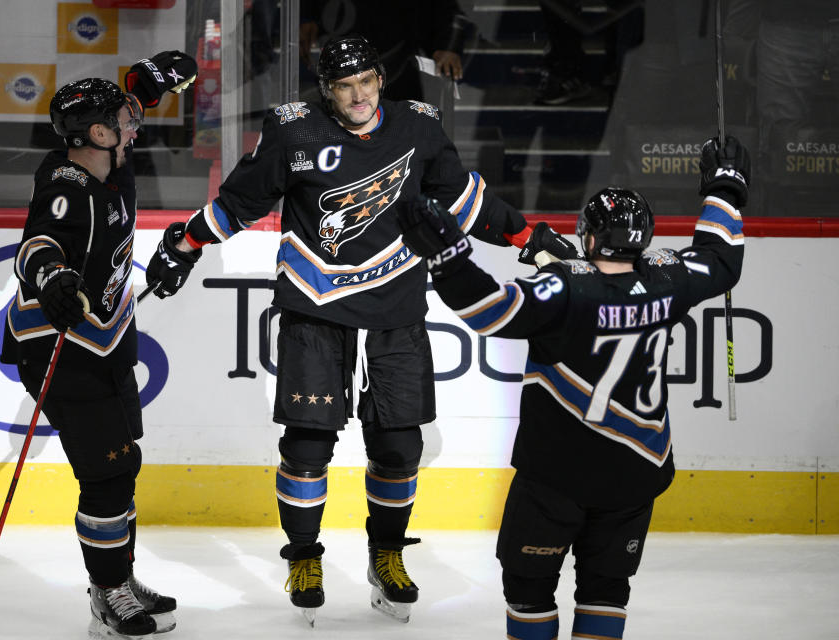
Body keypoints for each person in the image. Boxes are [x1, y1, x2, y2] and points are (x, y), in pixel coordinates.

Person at [143, 35, 576, 625]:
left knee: (400, 448)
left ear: (381, 79)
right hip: (315, 309)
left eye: (367, 82)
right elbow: (240, 201)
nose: (358, 96)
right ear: (328, 89)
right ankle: (303, 556)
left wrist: (531, 239)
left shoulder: (418, 126)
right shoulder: (293, 130)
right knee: (307, 446)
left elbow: (466, 202)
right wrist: (187, 243)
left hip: (396, 307)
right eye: (344, 86)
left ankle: (387, 556)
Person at [398, 136, 749, 639]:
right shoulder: (671, 279)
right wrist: (725, 191)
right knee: (606, 591)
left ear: (588, 237)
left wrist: (449, 257)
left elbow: (490, 309)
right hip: (635, 473)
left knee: (529, 587)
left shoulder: (564, 290)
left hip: (556, 476)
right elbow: (720, 261)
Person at [0, 51, 197, 638]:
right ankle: (108, 595)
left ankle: (119, 575)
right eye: (122, 119)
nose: (133, 127)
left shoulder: (115, 167)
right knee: (106, 475)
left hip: (107, 341)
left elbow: (133, 107)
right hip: (57, 346)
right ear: (96, 134)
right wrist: (54, 280)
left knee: (124, 463)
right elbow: (37, 243)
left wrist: (141, 88)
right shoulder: (66, 183)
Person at [299, 0, 468, 101]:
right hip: (340, 59)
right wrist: (306, 16)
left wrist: (447, 46)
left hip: (396, 61)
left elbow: (445, 8)